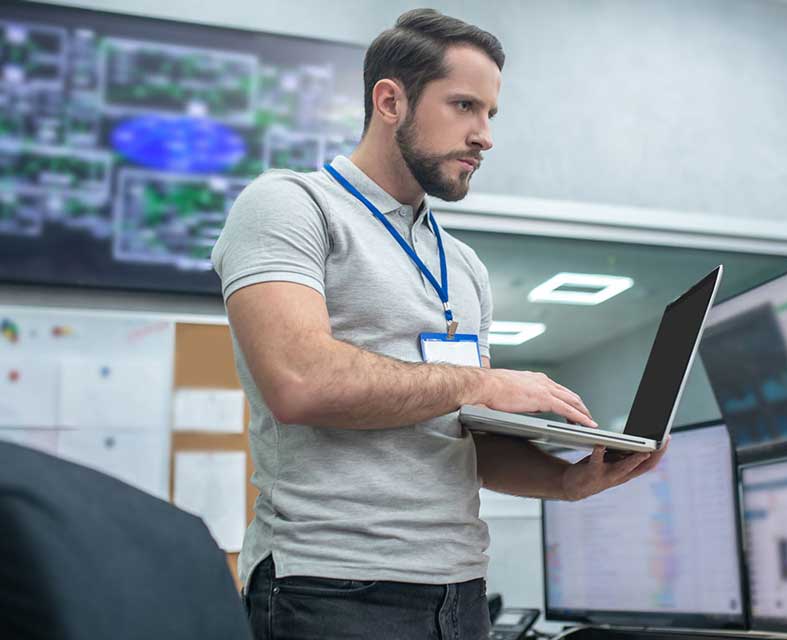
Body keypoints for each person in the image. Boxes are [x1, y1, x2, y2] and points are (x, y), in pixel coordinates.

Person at [212, 9, 668, 640]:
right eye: (463, 106)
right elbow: (298, 382)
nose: (484, 136)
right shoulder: (290, 205)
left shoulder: (463, 264)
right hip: (331, 587)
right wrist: (482, 384)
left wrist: (569, 480)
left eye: (490, 114)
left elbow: (463, 440)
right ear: (390, 100)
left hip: (461, 592)